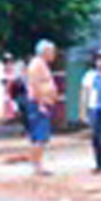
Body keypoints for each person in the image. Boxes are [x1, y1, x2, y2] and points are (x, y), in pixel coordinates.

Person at [21, 39, 60, 176]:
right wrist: (41, 102)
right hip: (38, 104)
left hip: (42, 103)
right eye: (51, 51)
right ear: (45, 51)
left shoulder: (42, 64)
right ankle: (37, 167)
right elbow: (35, 85)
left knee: (40, 136)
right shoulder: (36, 65)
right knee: (39, 136)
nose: (54, 54)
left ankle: (38, 165)